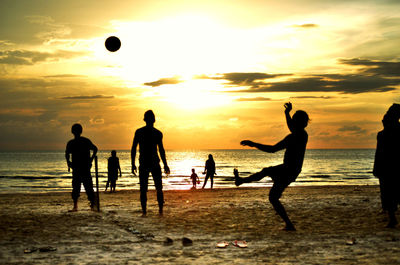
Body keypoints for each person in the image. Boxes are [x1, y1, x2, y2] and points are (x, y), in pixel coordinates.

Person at [234, 102, 309, 231]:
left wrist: (253, 144)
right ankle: (289, 224)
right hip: (292, 170)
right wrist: (287, 113)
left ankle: (241, 181)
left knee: (266, 172)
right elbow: (292, 126)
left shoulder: (294, 137)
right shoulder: (303, 134)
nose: (292, 122)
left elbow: (272, 149)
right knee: (273, 197)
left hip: (289, 170)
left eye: (294, 118)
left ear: (298, 122)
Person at [131, 110, 170, 216]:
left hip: (146, 162)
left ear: (145, 119)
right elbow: (161, 150)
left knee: (146, 189)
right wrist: (165, 164)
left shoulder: (141, 132)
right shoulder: (156, 133)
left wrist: (133, 163)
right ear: (153, 120)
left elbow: (134, 148)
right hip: (150, 163)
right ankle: (159, 210)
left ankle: (146, 211)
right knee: (157, 188)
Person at [373, 103, 400, 228]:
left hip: (391, 167)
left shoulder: (385, 134)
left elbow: (379, 153)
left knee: (389, 194)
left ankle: (392, 218)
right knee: (387, 194)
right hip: (386, 167)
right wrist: (376, 168)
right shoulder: (382, 134)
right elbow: (378, 153)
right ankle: (392, 218)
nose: (383, 121)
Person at [65, 123, 98, 212]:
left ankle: (89, 205)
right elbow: (67, 154)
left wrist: (91, 159)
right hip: (79, 167)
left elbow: (95, 149)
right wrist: (69, 163)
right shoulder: (75, 142)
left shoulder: (79, 142)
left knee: (84, 186)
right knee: (79, 187)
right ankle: (78, 206)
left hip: (83, 167)